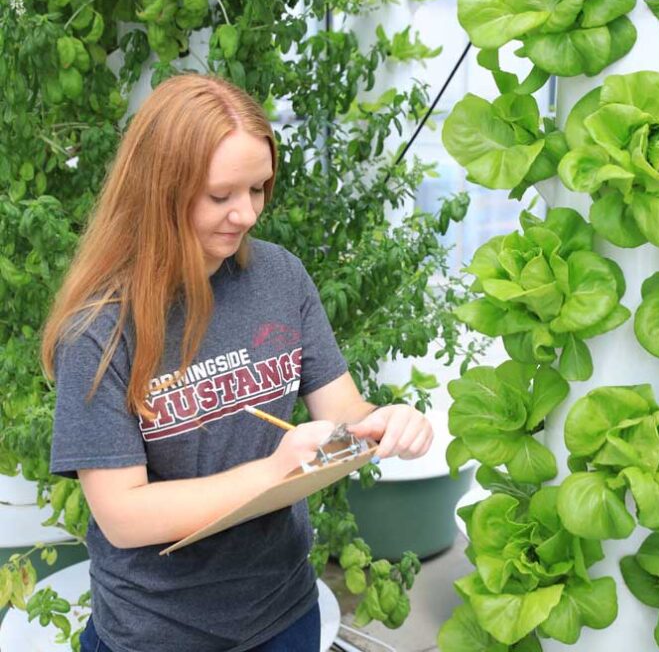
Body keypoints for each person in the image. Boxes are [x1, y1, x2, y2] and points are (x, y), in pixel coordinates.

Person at [41, 73, 433, 652]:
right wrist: (275, 471)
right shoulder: (101, 329)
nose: (246, 214)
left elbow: (345, 413)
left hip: (283, 613)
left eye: (258, 189)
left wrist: (387, 422)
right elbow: (123, 516)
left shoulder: (279, 277)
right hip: (156, 635)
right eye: (221, 195)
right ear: (160, 192)